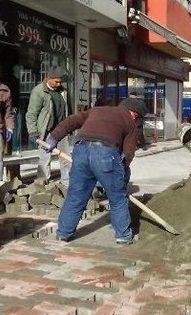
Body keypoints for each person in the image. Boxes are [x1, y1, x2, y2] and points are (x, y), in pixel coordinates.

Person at [43, 98, 146, 244]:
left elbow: (71, 121)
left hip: (80, 150)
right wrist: (118, 178)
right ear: (135, 114)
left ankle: (63, 233)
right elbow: (128, 154)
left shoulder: (98, 110)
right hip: (105, 153)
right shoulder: (130, 123)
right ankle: (123, 236)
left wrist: (54, 137)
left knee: (76, 195)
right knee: (117, 198)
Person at [25, 67, 71, 183]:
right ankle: (42, 184)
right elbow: (31, 113)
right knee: (45, 159)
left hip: (61, 130)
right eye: (56, 81)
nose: (59, 84)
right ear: (48, 78)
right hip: (46, 131)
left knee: (65, 159)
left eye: (61, 81)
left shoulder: (63, 92)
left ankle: (67, 183)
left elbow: (68, 110)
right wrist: (33, 131)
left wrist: (69, 126)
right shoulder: (39, 91)